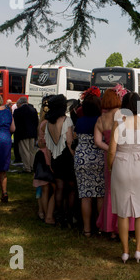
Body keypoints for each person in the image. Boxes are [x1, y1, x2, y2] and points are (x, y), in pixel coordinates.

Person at [108, 92, 140, 263]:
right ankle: (139, 249)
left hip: (121, 162)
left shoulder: (118, 123)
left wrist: (110, 165)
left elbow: (112, 149)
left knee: (122, 212)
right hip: (138, 163)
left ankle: (125, 251)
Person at [95, 85, 135, 238]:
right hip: (125, 155)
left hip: (109, 158)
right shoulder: (124, 116)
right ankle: (124, 227)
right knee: (126, 192)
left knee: (111, 192)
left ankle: (110, 228)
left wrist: (109, 149)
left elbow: (97, 141)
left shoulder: (101, 119)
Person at [74, 87, 105, 237]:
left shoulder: (80, 122)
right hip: (99, 158)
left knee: (85, 195)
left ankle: (86, 229)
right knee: (100, 195)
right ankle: (100, 227)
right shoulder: (101, 121)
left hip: (81, 158)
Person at [44, 94, 76, 227]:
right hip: (66, 156)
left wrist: (50, 161)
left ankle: (59, 217)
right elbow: (69, 142)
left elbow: (48, 145)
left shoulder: (48, 122)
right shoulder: (66, 120)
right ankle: (69, 217)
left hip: (55, 157)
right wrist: (75, 156)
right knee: (71, 188)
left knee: (59, 188)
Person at [33, 95, 56, 225]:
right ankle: (47, 214)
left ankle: (43, 212)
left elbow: (40, 141)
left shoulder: (41, 121)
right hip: (46, 155)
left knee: (43, 186)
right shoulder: (47, 123)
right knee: (48, 186)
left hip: (41, 154)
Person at [13, 96, 39, 173]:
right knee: (32, 151)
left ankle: (27, 168)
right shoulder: (33, 110)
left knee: (25, 151)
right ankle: (32, 166)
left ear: (20, 103)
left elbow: (15, 123)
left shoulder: (17, 111)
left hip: (22, 134)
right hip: (32, 133)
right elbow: (36, 122)